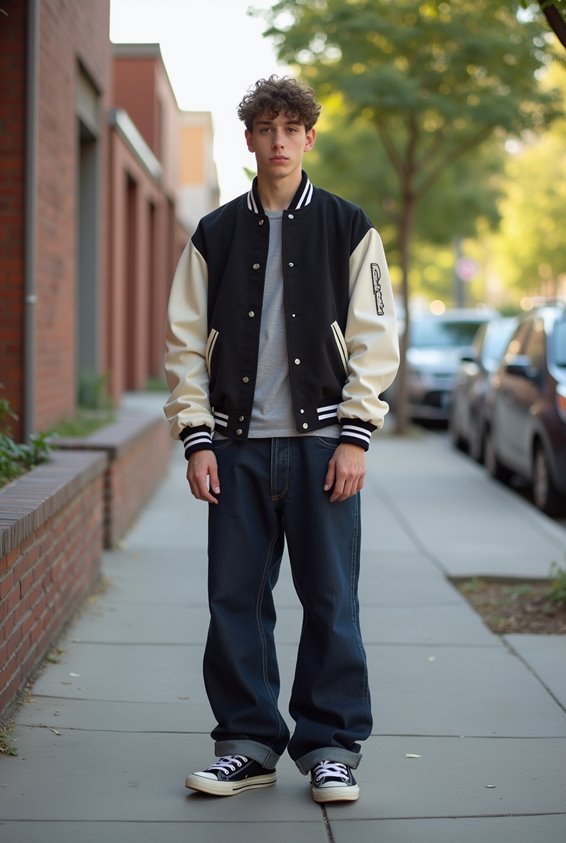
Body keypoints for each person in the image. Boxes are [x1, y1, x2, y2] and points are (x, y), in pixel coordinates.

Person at [164, 75, 399, 803]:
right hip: (233, 448)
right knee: (235, 599)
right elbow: (181, 344)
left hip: (322, 445)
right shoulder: (215, 232)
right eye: (265, 128)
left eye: (290, 129)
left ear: (309, 138)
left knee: (330, 600)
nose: (278, 142)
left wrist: (356, 435)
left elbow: (375, 337)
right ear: (248, 140)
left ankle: (330, 746)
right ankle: (247, 743)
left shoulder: (347, 224)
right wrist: (196, 439)